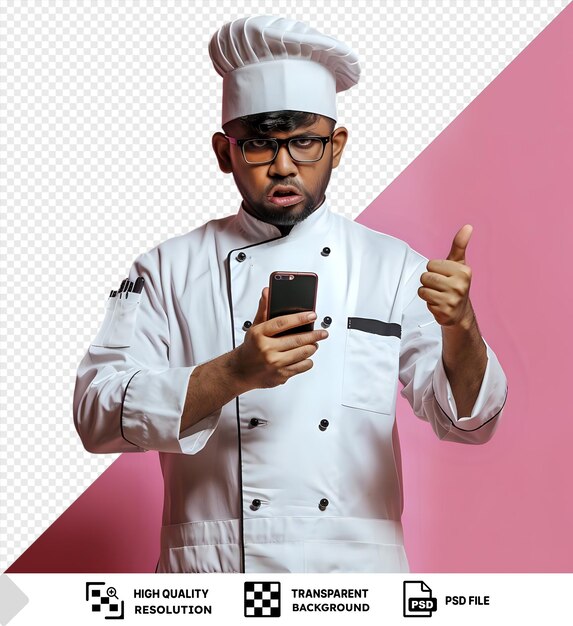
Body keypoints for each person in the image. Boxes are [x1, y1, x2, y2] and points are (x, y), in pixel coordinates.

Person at [73, 15, 508, 573]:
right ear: (224, 151)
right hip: (217, 577)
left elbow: (469, 422)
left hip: (354, 581)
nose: (283, 166)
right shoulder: (164, 269)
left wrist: (461, 328)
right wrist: (233, 374)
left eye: (304, 141)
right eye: (258, 144)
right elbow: (94, 412)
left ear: (337, 145)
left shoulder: (393, 267)